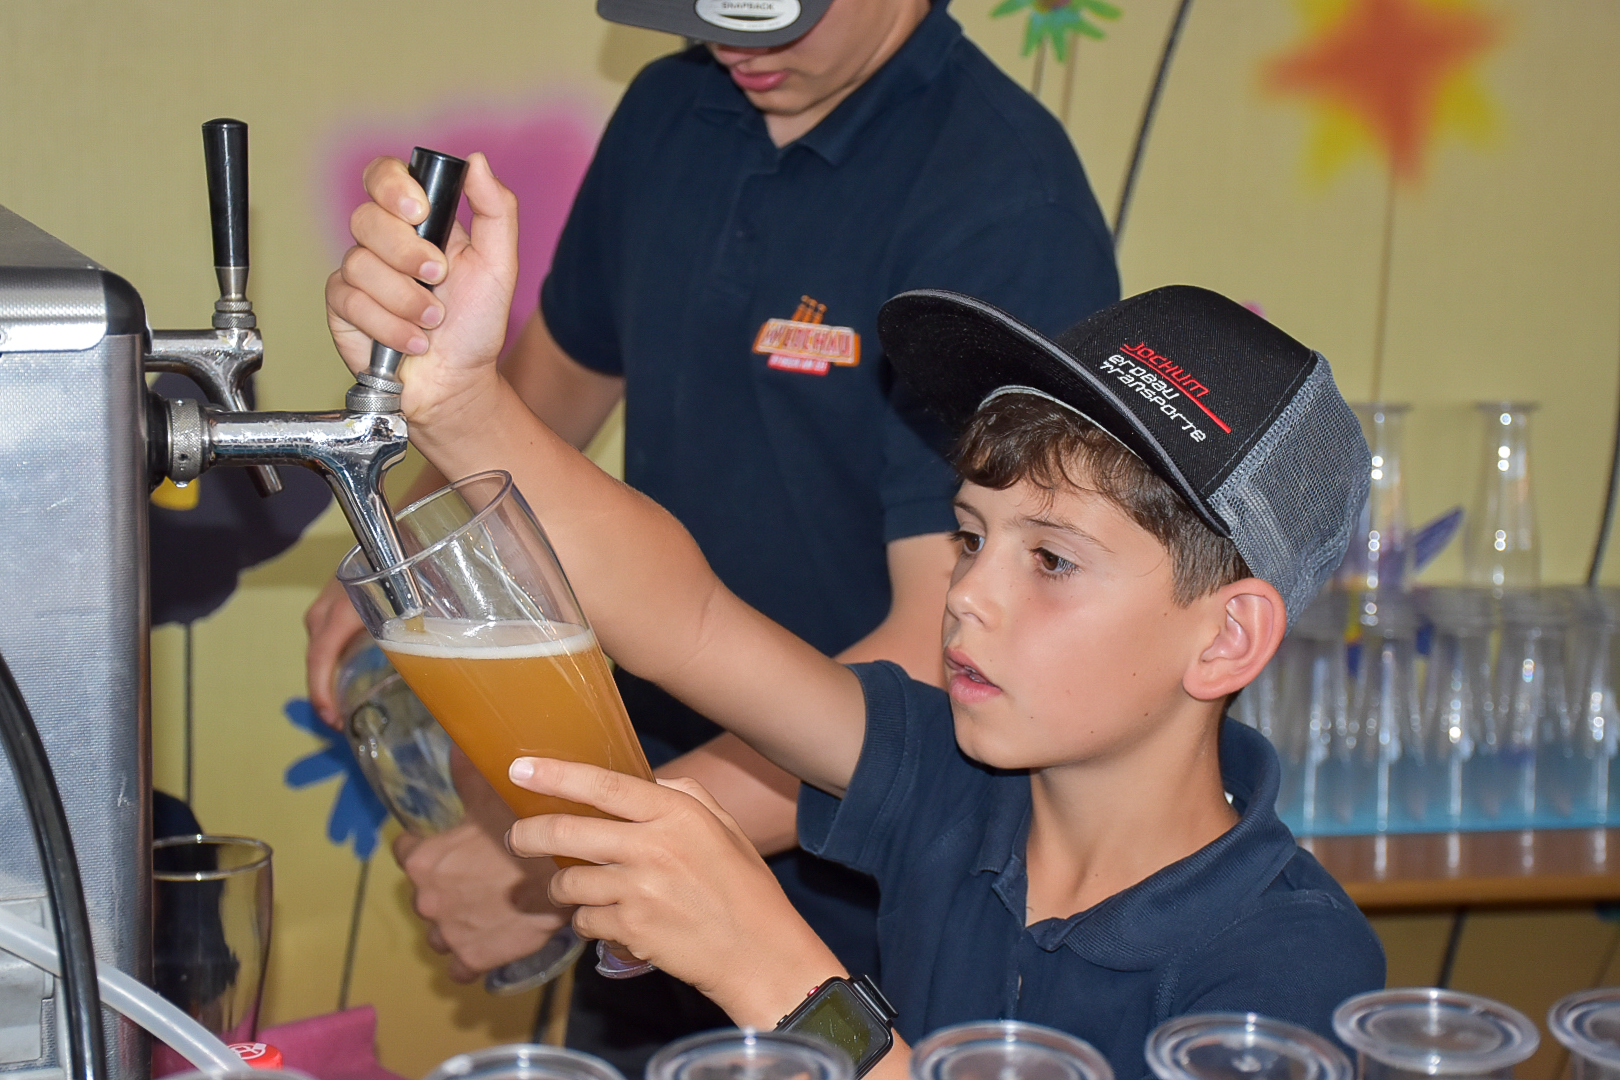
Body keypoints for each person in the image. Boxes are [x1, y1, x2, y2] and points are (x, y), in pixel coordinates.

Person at [322, 154, 1386, 1080]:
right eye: (969, 536)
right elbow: (687, 620)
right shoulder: (952, 783)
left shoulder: (1292, 970)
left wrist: (772, 970)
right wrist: (460, 404)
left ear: (1227, 638)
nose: (967, 594)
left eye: (1052, 559)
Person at [309, 0, 1117, 1058]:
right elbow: (552, 383)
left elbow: (941, 651)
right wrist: (397, 534)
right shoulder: (672, 108)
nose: (732, 42)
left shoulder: (1004, 203)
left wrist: (581, 859)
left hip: (860, 903)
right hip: (643, 820)